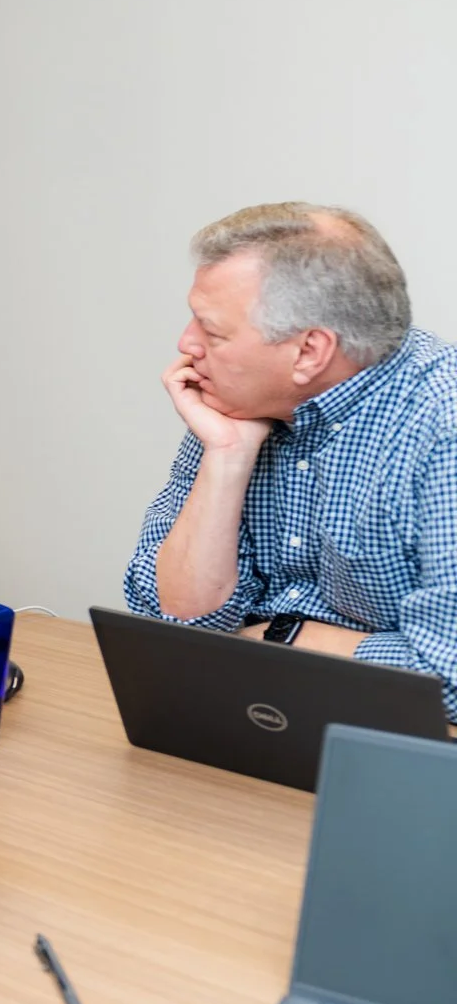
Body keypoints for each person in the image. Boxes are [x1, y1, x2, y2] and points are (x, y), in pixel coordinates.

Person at [124, 202, 457, 720]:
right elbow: (169, 624)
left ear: (309, 352)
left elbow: (449, 677)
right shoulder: (239, 405)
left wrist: (285, 635)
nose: (186, 344)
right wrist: (227, 454)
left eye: (212, 332)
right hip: (258, 714)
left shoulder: (443, 426)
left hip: (396, 739)